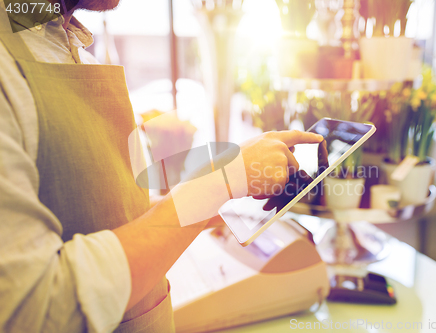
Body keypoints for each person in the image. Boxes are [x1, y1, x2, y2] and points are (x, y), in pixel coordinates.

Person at [0, 1, 324, 332]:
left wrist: (218, 197)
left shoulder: (70, 48)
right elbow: (35, 304)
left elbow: (111, 214)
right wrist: (219, 180)